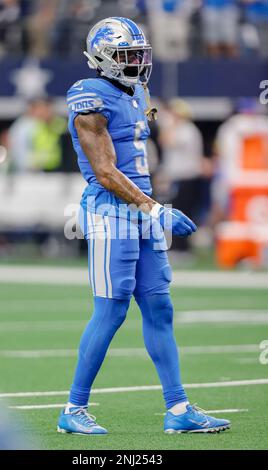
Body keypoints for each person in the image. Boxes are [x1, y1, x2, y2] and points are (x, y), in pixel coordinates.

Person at [57, 17, 230, 435]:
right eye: (127, 56)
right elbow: (104, 171)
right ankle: (73, 409)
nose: (137, 62)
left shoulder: (135, 90)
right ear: (103, 58)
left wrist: (152, 207)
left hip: (142, 209)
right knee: (112, 310)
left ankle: (178, 408)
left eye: (139, 54)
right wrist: (155, 210)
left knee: (159, 307)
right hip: (110, 213)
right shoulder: (88, 96)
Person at [158, 99, 205, 252]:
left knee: (181, 212)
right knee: (178, 210)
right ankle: (179, 247)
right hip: (180, 177)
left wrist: (169, 125)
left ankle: (182, 248)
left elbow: (166, 141)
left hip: (186, 178)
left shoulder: (186, 130)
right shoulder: (184, 129)